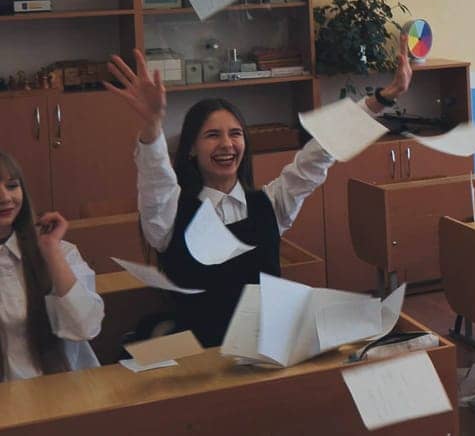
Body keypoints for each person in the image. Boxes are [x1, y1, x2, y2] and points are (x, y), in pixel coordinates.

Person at [106, 49, 411, 346]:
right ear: (191, 149)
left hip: (267, 350)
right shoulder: (170, 215)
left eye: (235, 134)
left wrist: (381, 99)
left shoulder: (270, 205)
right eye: (212, 135)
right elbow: (155, 180)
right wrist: (152, 124)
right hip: (199, 357)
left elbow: (318, 155)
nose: (227, 144)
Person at [0, 150, 103, 380]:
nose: (5, 197)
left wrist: (51, 251)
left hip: (62, 386)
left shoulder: (59, 250)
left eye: (12, 186)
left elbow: (86, 327)